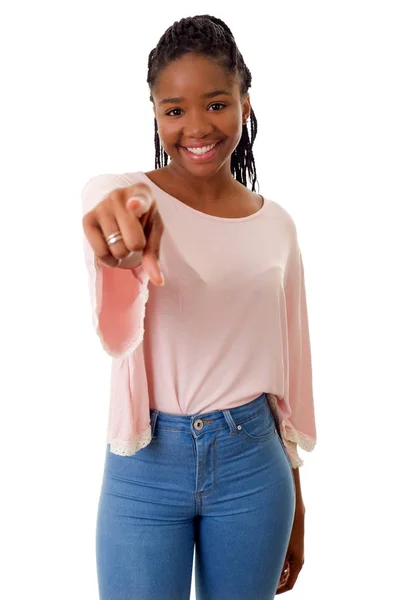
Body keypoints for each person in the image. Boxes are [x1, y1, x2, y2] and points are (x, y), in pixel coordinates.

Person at [81, 14, 317, 600]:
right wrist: (122, 219)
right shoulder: (129, 193)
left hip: (253, 467)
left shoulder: (278, 227)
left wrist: (296, 493)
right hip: (146, 464)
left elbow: (286, 374)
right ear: (156, 114)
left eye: (215, 103)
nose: (196, 127)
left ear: (245, 104)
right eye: (173, 110)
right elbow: (105, 201)